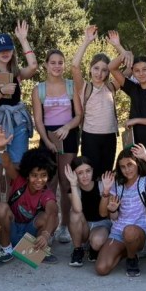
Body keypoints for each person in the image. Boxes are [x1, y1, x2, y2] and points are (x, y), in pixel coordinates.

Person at [0, 23, 39, 199]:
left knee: (16, 174)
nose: (5, 53)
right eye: (0, 50)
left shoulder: (17, 72)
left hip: (17, 123)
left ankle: (12, 216)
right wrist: (0, 93)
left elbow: (33, 66)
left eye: (8, 49)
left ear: (13, 50)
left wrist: (23, 39)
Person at [32, 49, 83, 245]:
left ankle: (64, 227)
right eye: (53, 62)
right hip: (48, 137)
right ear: (46, 65)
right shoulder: (39, 89)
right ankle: (49, 227)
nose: (57, 66)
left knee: (66, 182)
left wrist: (67, 127)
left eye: (60, 62)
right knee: (48, 183)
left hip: (68, 135)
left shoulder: (71, 86)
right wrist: (46, 141)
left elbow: (78, 115)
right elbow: (38, 119)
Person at [0, 129, 60, 266]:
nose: (39, 180)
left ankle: (38, 249)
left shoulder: (46, 194)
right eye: (34, 175)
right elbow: (7, 164)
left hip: (30, 234)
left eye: (43, 175)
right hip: (10, 230)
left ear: (49, 176)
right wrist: (1, 149)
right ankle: (6, 250)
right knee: (0, 207)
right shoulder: (19, 181)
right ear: (27, 175)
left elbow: (53, 212)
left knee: (49, 216)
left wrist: (45, 234)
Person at [95, 144, 146, 278]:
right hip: (119, 231)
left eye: (130, 165)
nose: (127, 170)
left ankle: (132, 258)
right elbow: (103, 214)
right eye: (123, 167)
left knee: (129, 231)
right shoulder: (117, 186)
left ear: (137, 164)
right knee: (102, 268)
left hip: (140, 233)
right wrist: (106, 194)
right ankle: (127, 250)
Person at [71, 25, 124, 179]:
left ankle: (104, 202)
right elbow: (74, 66)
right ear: (90, 69)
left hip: (109, 137)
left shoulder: (112, 86)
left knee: (106, 175)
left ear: (109, 71)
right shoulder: (84, 87)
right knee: (91, 176)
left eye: (104, 70)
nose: (99, 73)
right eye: (96, 68)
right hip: (90, 137)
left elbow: (129, 66)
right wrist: (86, 41)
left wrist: (117, 45)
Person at [108, 31, 146, 156]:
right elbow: (111, 68)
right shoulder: (133, 88)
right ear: (133, 73)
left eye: (144, 69)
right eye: (137, 71)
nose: (141, 73)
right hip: (136, 145)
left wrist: (136, 120)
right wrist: (124, 53)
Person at [65, 158, 113, 267]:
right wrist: (73, 184)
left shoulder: (101, 185)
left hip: (101, 225)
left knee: (97, 241)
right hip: (83, 227)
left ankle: (93, 249)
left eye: (88, 171)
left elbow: (104, 214)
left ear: (92, 170)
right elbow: (77, 210)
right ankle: (78, 250)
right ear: (74, 174)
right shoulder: (73, 189)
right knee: (74, 213)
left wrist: (106, 192)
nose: (85, 176)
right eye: (80, 173)